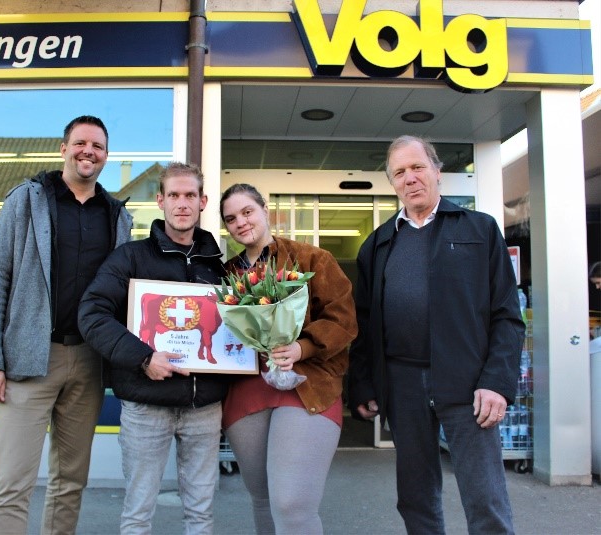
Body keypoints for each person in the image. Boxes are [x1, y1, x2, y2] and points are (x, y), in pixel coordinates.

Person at [348, 135, 526, 535]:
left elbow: (507, 316)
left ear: (437, 171)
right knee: (415, 496)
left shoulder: (479, 229)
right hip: (403, 382)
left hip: (468, 382)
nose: (410, 178)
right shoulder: (376, 245)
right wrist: (363, 384)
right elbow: (364, 324)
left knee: (485, 497)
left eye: (417, 167)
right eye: (399, 172)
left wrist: (496, 383)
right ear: (392, 183)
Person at [0, 115, 133, 535]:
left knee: (70, 483)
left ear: (106, 155)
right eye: (80, 143)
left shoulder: (117, 216)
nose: (89, 152)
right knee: (11, 483)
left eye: (97, 146)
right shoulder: (26, 201)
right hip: (29, 357)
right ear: (63, 148)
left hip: (87, 361)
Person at [77, 162, 228, 535]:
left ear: (202, 201)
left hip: (203, 406)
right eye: (173, 195)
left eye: (190, 195)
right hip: (147, 405)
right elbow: (93, 314)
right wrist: (143, 359)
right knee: (138, 513)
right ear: (160, 200)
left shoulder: (220, 269)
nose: (182, 203)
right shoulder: (130, 258)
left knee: (201, 513)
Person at [218, 183, 358, 535]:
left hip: (308, 388)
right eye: (231, 218)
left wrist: (303, 347)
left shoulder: (313, 259)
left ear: (265, 210)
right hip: (245, 392)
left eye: (247, 211)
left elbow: (343, 321)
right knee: (263, 500)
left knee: (292, 505)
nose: (241, 223)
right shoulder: (226, 275)